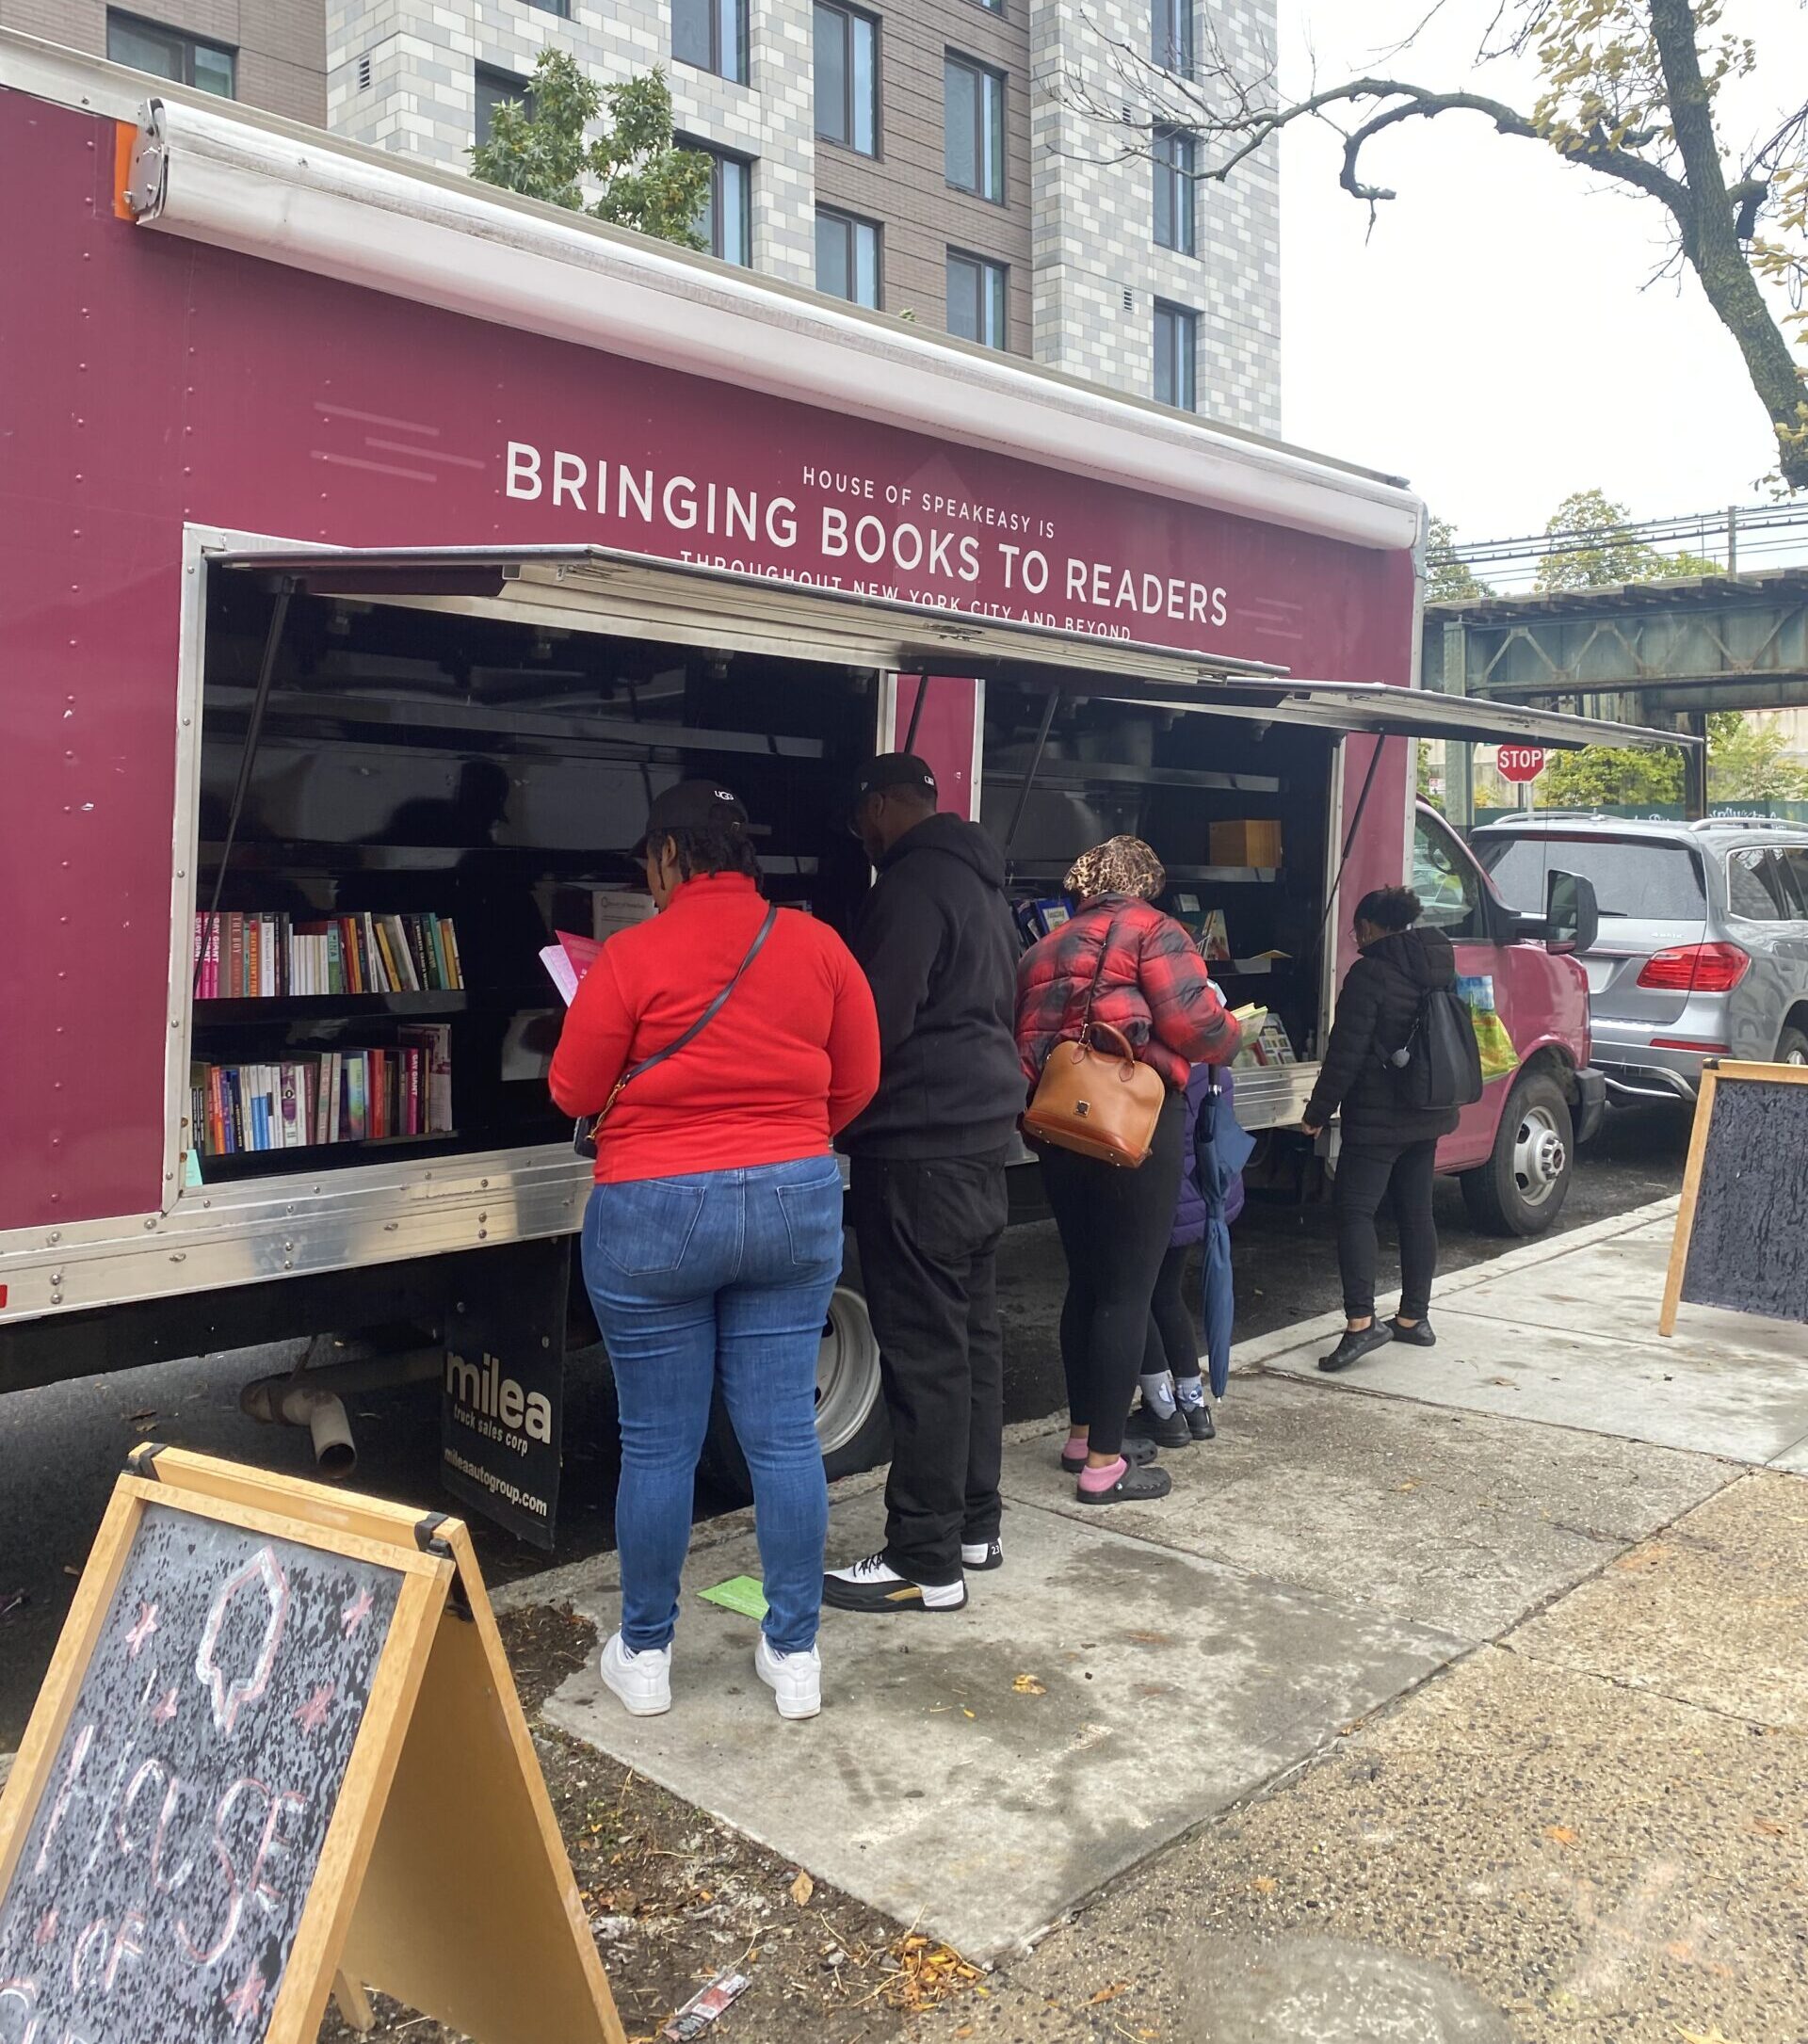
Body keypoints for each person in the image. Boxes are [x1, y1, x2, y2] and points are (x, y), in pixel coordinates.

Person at [549, 781, 880, 1721]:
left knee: (658, 1442)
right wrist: (785, 1139)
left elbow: (572, 1083)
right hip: (793, 1198)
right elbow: (858, 1081)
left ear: (667, 858)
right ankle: (794, 1652)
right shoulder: (818, 945)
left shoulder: (631, 953)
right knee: (781, 1432)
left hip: (653, 1206)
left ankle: (646, 1654)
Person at [824, 753, 1025, 1615]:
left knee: (925, 1354)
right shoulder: (980, 883)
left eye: (859, 823)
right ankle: (975, 1523)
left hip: (917, 1153)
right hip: (982, 1141)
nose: (860, 840)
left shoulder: (907, 889)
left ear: (878, 808)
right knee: (972, 1341)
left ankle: (923, 1557)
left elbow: (875, 1021)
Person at [1015, 837, 1239, 1504]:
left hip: (1062, 1126)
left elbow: (1025, 1045)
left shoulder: (1040, 949)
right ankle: (1104, 1466)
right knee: (1127, 1289)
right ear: (1143, 882)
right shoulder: (1155, 931)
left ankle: (1084, 1432)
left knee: (1084, 1281)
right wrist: (1234, 1031)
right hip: (1135, 1122)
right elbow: (1195, 1025)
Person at [1301, 885, 1460, 1375]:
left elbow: (1345, 1053)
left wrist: (1316, 1112)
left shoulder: (1369, 974)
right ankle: (1414, 1317)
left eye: (1357, 929)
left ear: (1369, 927)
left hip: (1378, 1117)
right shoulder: (1437, 962)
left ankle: (1361, 1322)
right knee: (1416, 1213)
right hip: (1428, 1108)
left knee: (1354, 1212)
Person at [1125, 1062, 1246, 1449]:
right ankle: (1194, 1407)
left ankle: (1163, 1412)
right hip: (1198, 1198)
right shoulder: (1211, 1063)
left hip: (1160, 1198)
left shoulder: (1156, 1065)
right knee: (1165, 1294)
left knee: (1132, 1297)